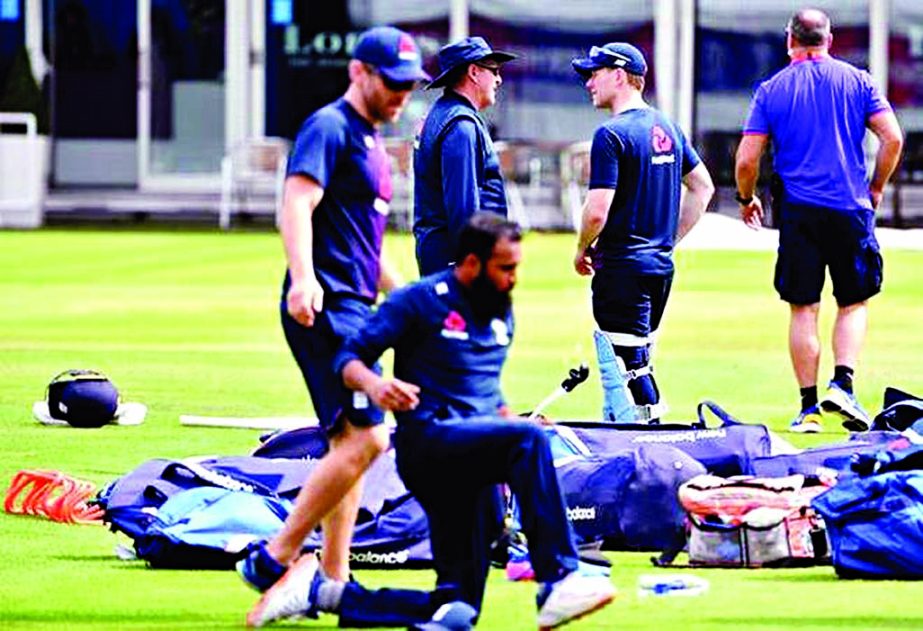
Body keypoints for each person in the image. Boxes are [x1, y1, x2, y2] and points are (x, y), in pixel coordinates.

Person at [246, 213, 615, 630]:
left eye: (517, 268)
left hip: (476, 457)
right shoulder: (418, 301)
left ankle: (322, 593)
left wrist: (509, 421)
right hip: (431, 444)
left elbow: (486, 395)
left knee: (458, 609)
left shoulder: (501, 315)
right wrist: (377, 386)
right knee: (527, 440)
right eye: (505, 268)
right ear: (472, 263)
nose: (513, 279)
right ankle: (559, 578)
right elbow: (347, 359)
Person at [236, 26, 430, 594]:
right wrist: (303, 279)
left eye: (407, 86)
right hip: (327, 308)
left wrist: (408, 300)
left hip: (356, 308)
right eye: (391, 84)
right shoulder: (329, 127)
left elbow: (364, 248)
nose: (400, 96)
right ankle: (274, 557)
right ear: (358, 74)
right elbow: (297, 201)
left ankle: (333, 579)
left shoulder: (371, 142)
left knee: (350, 446)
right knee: (369, 440)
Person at [735, 8, 903, 433]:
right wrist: (877, 187)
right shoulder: (858, 81)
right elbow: (892, 138)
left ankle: (808, 407)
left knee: (803, 307)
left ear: (789, 40)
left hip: (798, 212)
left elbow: (747, 158)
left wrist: (746, 197)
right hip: (850, 207)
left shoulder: (771, 90)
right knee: (853, 301)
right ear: (829, 39)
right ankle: (842, 385)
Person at [571, 43, 714, 424]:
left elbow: (597, 210)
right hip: (658, 269)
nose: (588, 82)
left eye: (594, 73)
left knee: (625, 369)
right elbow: (703, 187)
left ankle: (645, 444)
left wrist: (581, 248)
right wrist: (667, 240)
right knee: (631, 361)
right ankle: (618, 444)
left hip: (621, 268)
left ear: (619, 75)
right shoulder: (667, 126)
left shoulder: (611, 135)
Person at [413, 37, 517, 276]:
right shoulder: (460, 125)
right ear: (473, 72)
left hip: (445, 256)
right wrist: (475, 265)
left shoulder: (442, 114)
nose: (499, 79)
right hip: (458, 260)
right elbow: (463, 208)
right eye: (494, 71)